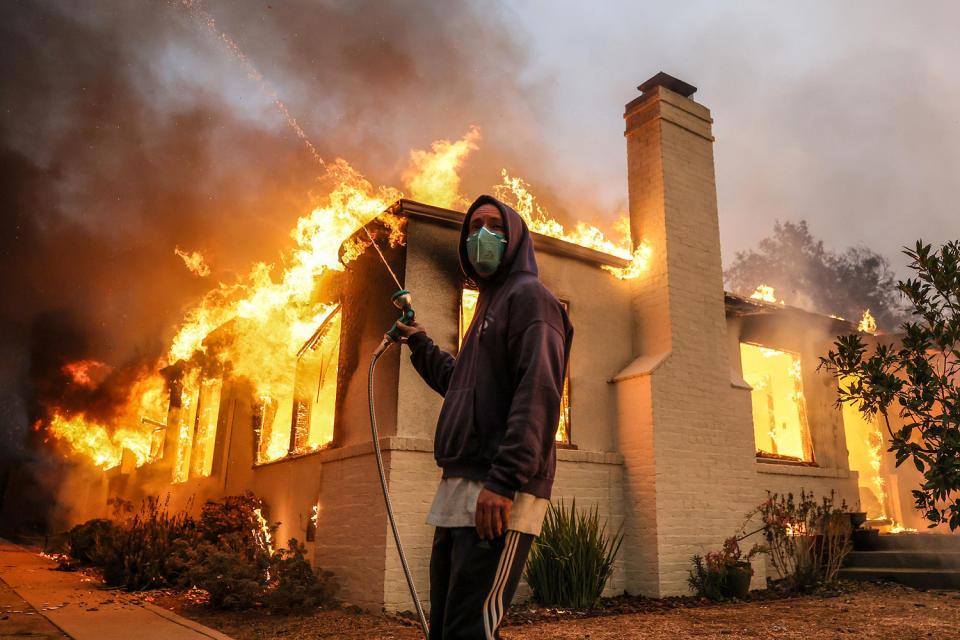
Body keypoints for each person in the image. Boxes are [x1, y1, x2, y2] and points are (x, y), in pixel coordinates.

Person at [392, 194, 573, 639]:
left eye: (494, 225)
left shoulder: (532, 298)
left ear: (514, 239)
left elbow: (539, 392)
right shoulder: (487, 307)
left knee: (472, 628)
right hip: (458, 489)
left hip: (497, 490)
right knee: (448, 626)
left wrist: (504, 481)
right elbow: (463, 385)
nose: (482, 235)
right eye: (473, 227)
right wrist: (419, 343)